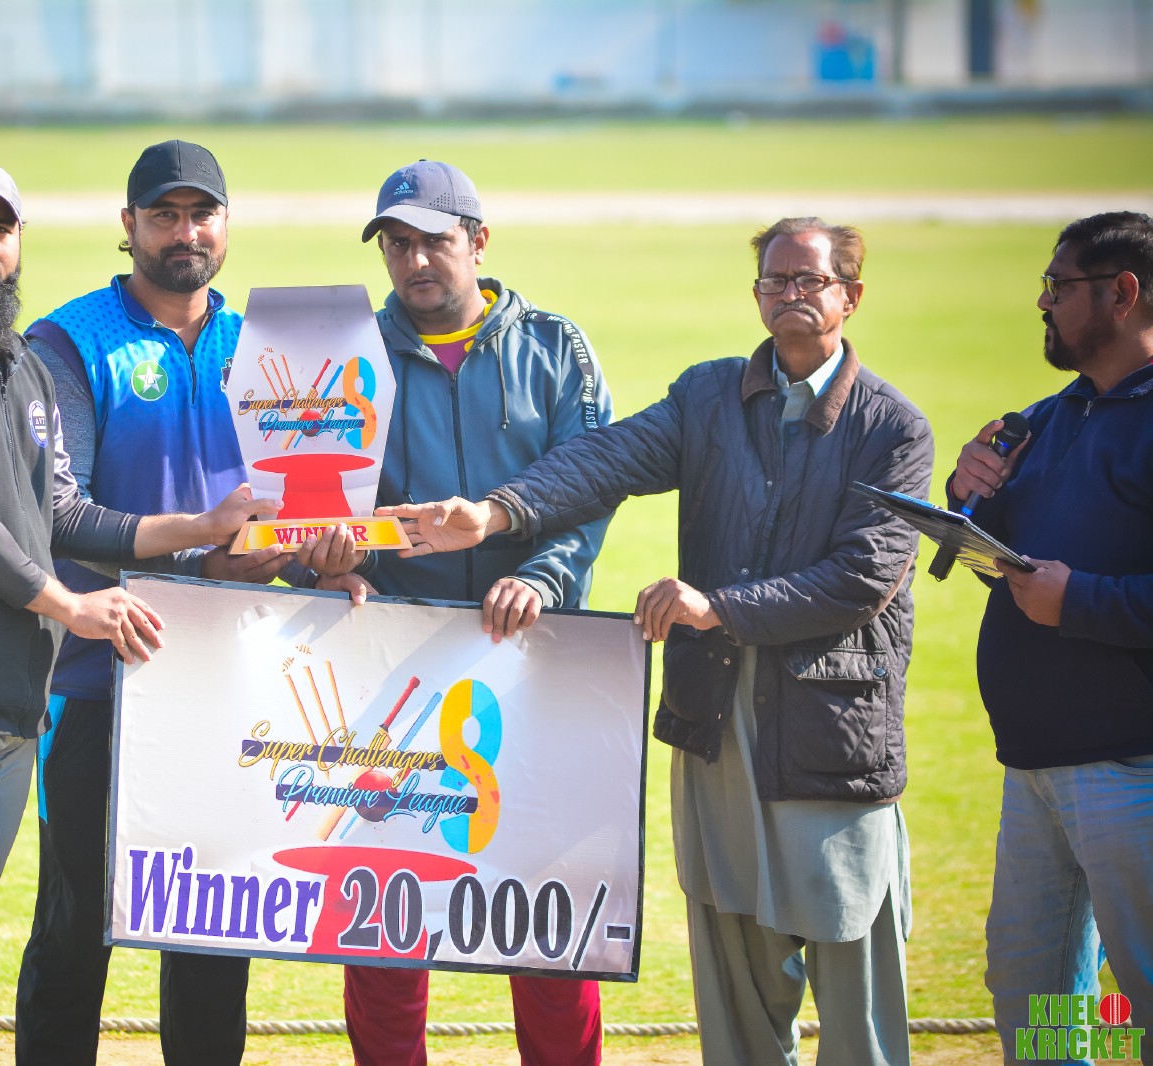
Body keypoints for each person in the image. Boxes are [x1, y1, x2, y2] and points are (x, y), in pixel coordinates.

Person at [385, 218, 932, 1066]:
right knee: (735, 982)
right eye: (774, 280)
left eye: (810, 281)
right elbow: (602, 461)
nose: (789, 294)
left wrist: (717, 607)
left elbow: (861, 578)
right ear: (755, 295)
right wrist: (493, 513)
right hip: (716, 723)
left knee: (850, 970)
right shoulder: (708, 398)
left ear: (850, 297)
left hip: (829, 736)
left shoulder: (893, 428)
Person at [0, 157, 273, 1066]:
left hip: (42, 685)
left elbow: (62, 515)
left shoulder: (12, 363)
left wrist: (212, 537)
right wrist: (71, 605)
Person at [12, 140, 355, 1066]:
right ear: (127, 226)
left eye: (201, 214)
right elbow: (59, 515)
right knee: (74, 928)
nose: (184, 232)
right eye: (162, 215)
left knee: (211, 934)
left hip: (231, 684)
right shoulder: (69, 342)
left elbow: (291, 511)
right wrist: (204, 543)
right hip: (98, 682)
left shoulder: (266, 348)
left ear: (226, 224)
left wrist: (319, 563)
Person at [313, 159, 614, 1065]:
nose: (413, 261)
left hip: (531, 661)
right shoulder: (347, 354)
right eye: (395, 244)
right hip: (391, 672)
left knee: (547, 917)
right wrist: (333, 568)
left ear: (477, 242)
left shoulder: (556, 346)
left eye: (433, 241)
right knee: (380, 914)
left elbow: (591, 485)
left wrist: (546, 578)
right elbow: (322, 502)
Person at [949, 211, 1153, 1060]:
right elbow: (999, 557)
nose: (1041, 302)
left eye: (1058, 286)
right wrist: (966, 498)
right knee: (1033, 1000)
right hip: (1031, 771)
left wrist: (1080, 603)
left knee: (1141, 996)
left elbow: (1064, 593)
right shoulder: (1044, 417)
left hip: (1130, 771)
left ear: (1122, 293)